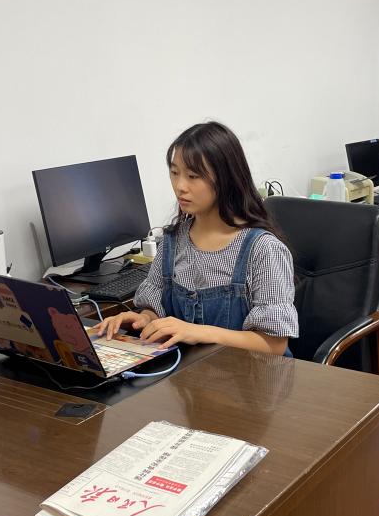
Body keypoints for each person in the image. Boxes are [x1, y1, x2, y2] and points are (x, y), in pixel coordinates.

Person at [94, 122, 298, 356]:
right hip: (190, 371)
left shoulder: (263, 249)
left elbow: (274, 345)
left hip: (250, 375)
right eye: (174, 173)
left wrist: (198, 332)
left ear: (226, 178)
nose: (180, 186)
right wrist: (145, 319)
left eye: (193, 176)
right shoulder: (172, 241)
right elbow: (155, 307)